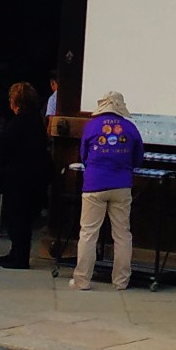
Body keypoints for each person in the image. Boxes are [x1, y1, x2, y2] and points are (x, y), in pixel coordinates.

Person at [71, 91, 142, 290]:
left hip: (94, 185)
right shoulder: (130, 128)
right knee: (122, 234)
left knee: (88, 233)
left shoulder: (91, 126)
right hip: (121, 185)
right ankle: (121, 281)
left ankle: (82, 280)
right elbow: (137, 158)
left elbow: (84, 155)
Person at [0, 81, 50, 270]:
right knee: (22, 218)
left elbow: (6, 145)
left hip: (20, 178)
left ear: (16, 101)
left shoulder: (22, 121)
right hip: (31, 176)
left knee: (17, 217)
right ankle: (17, 253)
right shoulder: (34, 119)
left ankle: (18, 256)